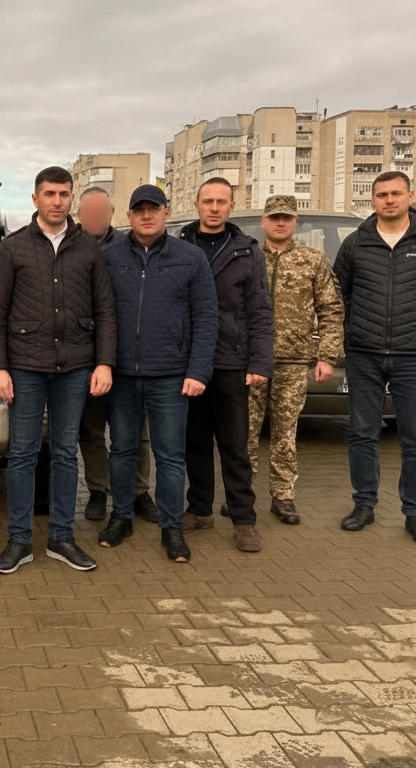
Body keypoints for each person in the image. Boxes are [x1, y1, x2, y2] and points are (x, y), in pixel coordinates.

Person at [0, 166, 116, 574]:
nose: (57, 201)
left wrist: (104, 362)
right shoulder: (13, 248)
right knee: (22, 454)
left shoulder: (87, 249)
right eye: (49, 194)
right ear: (35, 199)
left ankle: (62, 537)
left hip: (75, 367)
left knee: (64, 453)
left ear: (71, 198)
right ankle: (19, 541)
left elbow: (105, 310)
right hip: (24, 366)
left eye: (63, 193)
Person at [333, 171, 416, 545]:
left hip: (415, 357)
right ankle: (363, 505)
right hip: (364, 354)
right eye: (381, 195)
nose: (388, 200)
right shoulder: (355, 243)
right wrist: (353, 330)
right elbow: (337, 293)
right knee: (362, 435)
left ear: (410, 196)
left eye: (395, 193)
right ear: (372, 201)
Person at [99, 184, 217, 563]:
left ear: (167, 213)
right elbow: (99, 314)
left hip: (171, 375)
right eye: (139, 210)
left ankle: (172, 527)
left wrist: (198, 369)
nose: (146, 215)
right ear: (128, 216)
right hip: (121, 375)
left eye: (154, 209)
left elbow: (206, 317)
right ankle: (122, 516)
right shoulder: (108, 256)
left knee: (169, 456)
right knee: (122, 452)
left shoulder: (191, 257)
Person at [178, 178, 272, 553]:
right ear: (196, 204)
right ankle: (199, 509)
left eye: (222, 202)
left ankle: (243, 518)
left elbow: (260, 312)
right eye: (208, 201)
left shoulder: (248, 252)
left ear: (232, 205)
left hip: (232, 363)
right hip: (189, 364)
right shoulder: (179, 247)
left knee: (235, 446)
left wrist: (260, 361)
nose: (214, 208)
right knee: (194, 442)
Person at [247, 195, 344, 524]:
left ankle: (283, 496)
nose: (280, 222)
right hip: (251, 362)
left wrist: (326, 355)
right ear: (264, 221)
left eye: (286, 218)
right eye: (274, 217)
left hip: (293, 361)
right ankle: (241, 495)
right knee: (244, 432)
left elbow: (330, 310)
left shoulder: (313, 260)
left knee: (285, 432)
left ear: (295, 222)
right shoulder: (248, 259)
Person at [75, 186, 157, 523]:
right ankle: (97, 490)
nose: (94, 217)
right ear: (78, 214)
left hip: (127, 358)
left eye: (101, 211)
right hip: (82, 356)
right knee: (91, 430)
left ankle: (139, 493)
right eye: (88, 211)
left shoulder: (130, 246)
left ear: (113, 213)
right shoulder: (68, 246)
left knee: (137, 432)